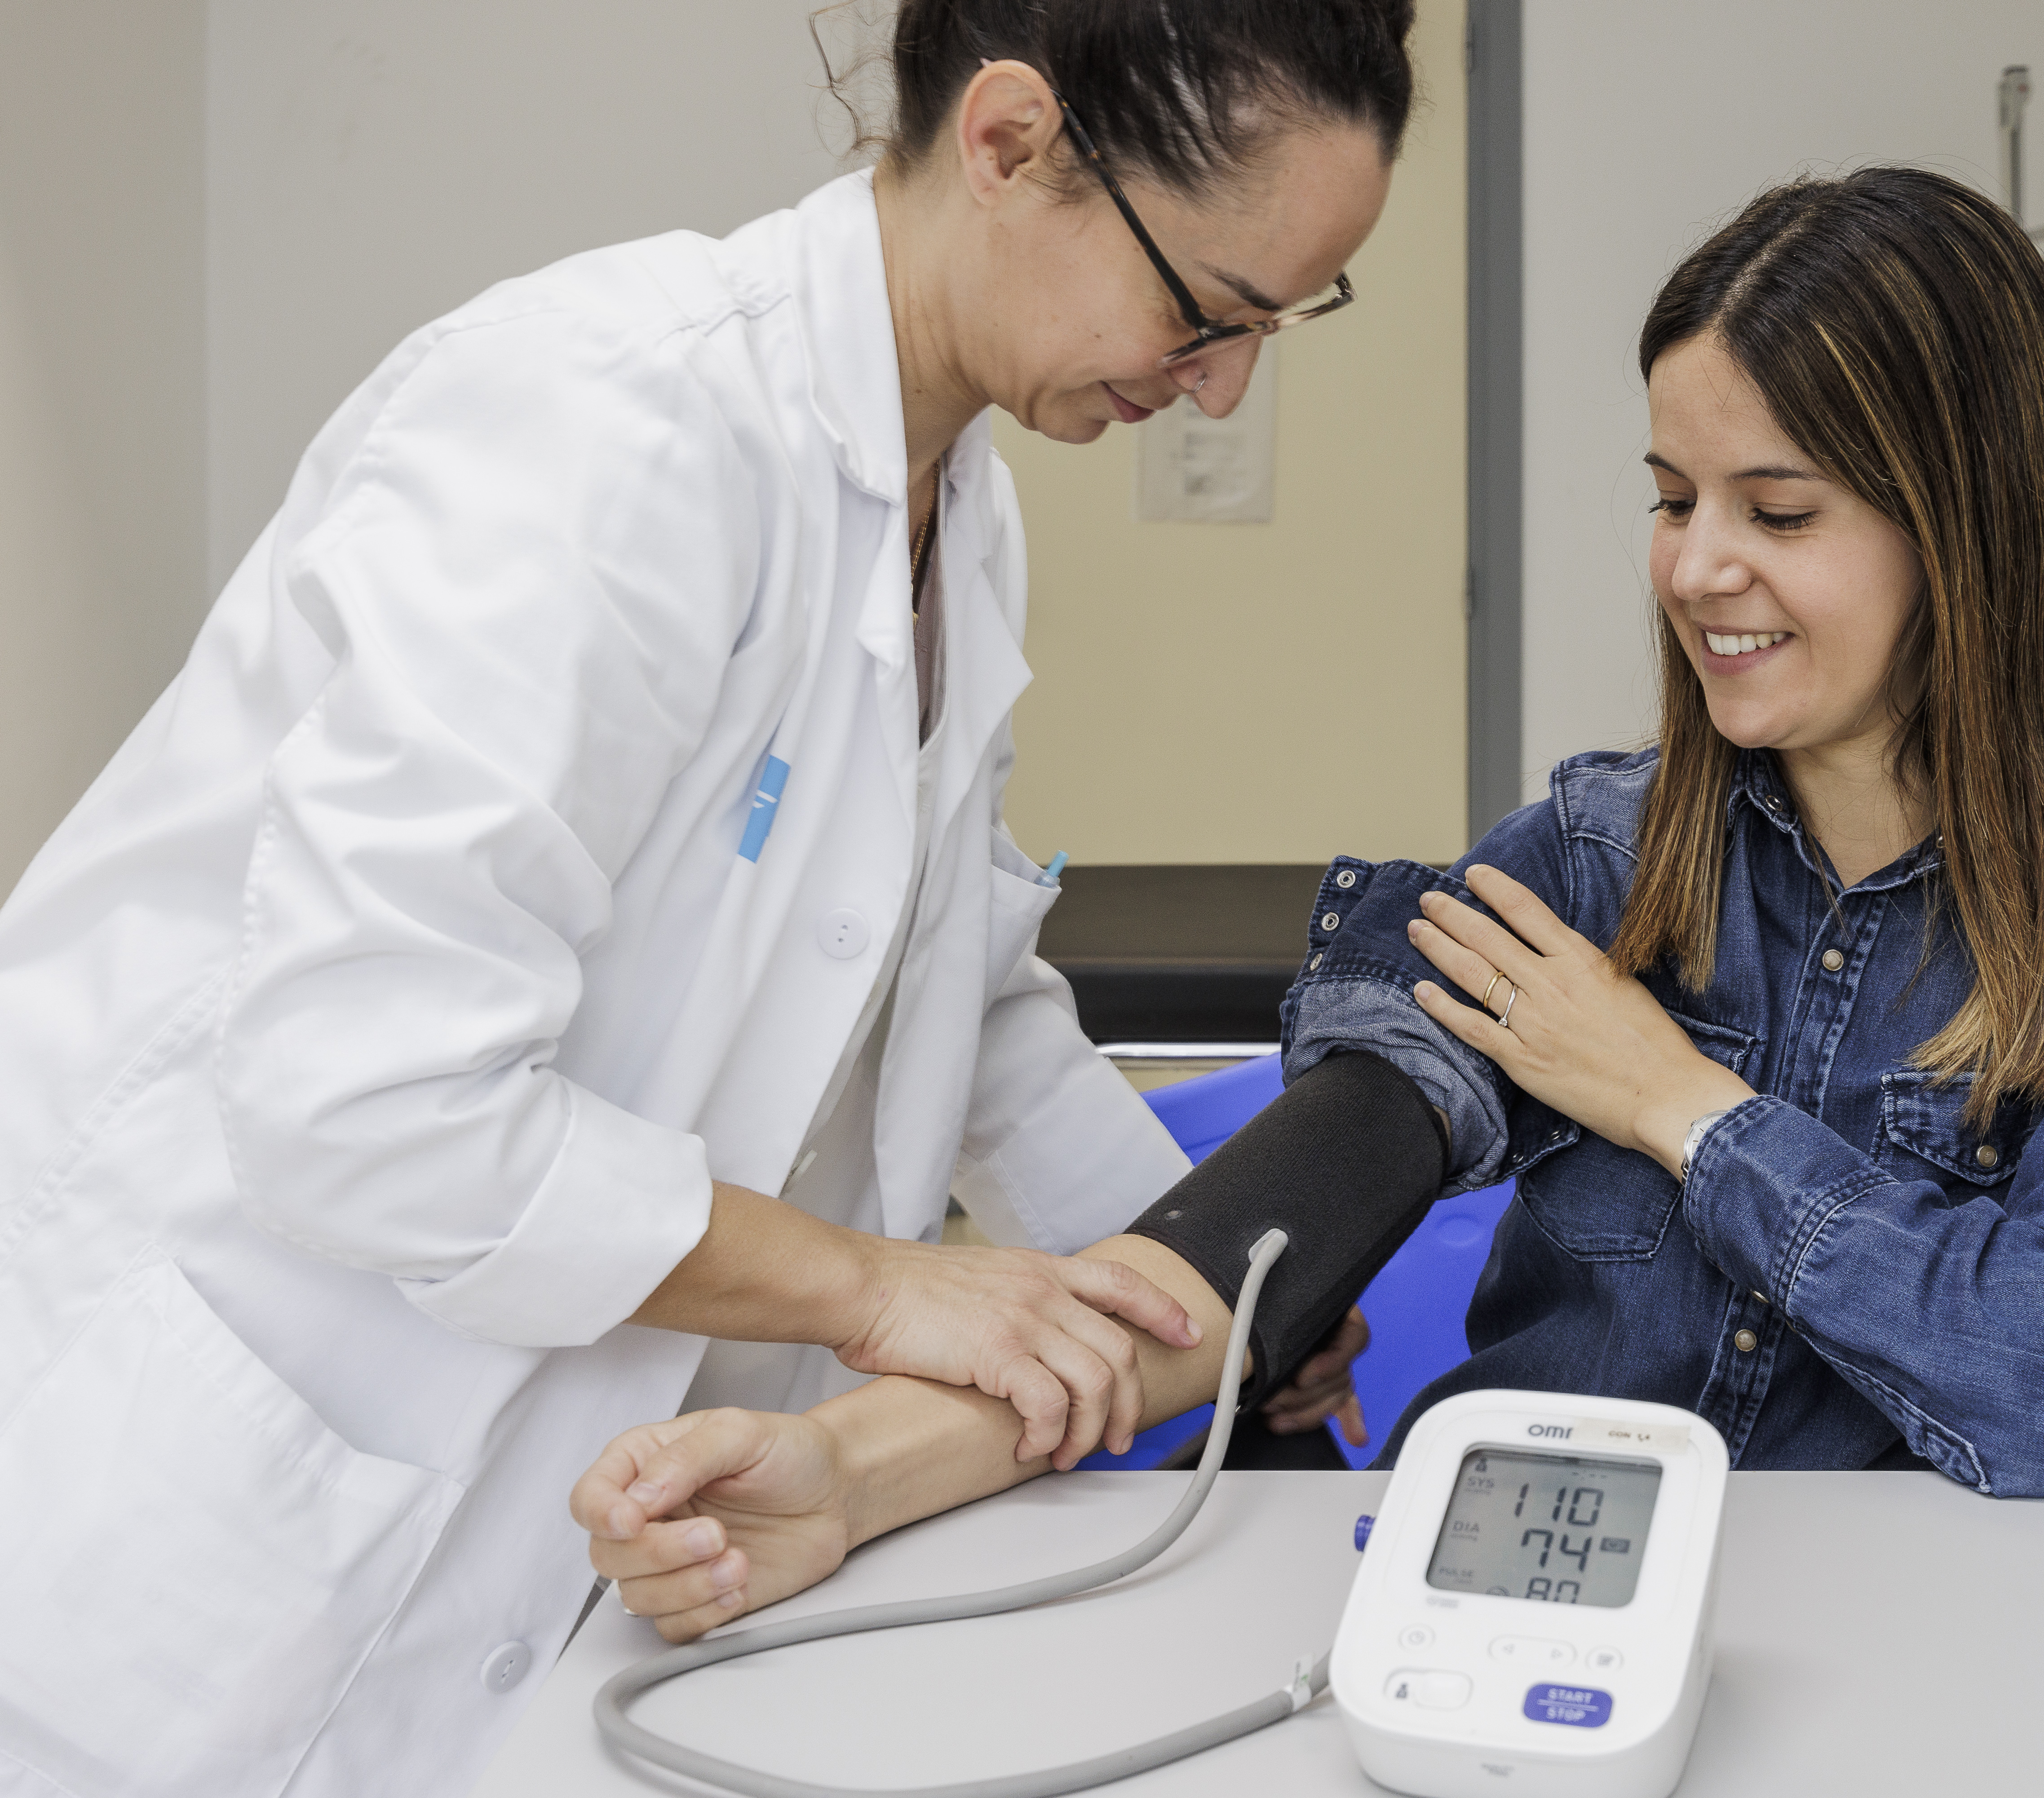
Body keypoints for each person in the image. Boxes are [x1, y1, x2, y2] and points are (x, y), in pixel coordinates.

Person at [575, 167, 2044, 1640]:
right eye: (1672, 498)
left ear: (1976, 528)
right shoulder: (1594, 860)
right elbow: (1247, 1257)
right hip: (1507, 1605)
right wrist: (850, 1472)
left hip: (1920, 1644)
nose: (1699, 567)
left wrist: (1673, 1101)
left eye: (1779, 510)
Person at [0, 4, 1414, 1794]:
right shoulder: (607, 429)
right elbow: (362, 1096)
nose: (1221, 386)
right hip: (176, 1546)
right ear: (1006, 144)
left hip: (534, 1542)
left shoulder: (956, 514)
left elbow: (947, 990)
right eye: (1209, 309)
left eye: (1280, 325)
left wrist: (1213, 1297)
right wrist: (871, 1290)